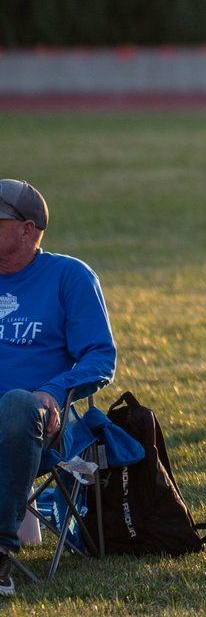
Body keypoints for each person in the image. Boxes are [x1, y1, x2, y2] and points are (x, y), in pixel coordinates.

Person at [0, 179, 117, 597]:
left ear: (26, 229)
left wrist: (53, 390)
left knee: (16, 404)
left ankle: (1, 555)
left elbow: (100, 358)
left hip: (42, 425)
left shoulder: (69, 276)